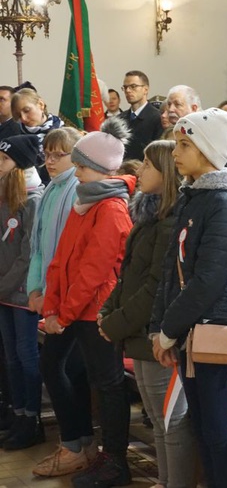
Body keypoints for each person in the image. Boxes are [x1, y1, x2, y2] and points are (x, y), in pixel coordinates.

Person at [150, 108, 227, 488]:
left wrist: (169, 329)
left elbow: (209, 278)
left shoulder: (224, 204)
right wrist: (160, 327)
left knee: (215, 429)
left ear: (206, 149)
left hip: (211, 328)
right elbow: (171, 269)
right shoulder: (195, 197)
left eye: (184, 144)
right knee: (201, 425)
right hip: (188, 328)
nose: (175, 153)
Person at [41, 117, 136, 486]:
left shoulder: (111, 209)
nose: (75, 172)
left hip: (96, 311)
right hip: (72, 309)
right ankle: (86, 449)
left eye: (80, 166)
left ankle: (115, 462)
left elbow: (94, 272)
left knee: (109, 384)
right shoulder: (86, 201)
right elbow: (61, 259)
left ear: (98, 168)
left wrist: (62, 314)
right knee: (69, 370)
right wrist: (52, 306)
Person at [97, 140, 197, 488]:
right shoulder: (150, 217)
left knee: (172, 421)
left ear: (166, 173)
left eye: (149, 167)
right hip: (139, 334)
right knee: (156, 417)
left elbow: (156, 286)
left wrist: (115, 321)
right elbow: (129, 275)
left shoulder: (169, 223)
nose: (139, 171)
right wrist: (109, 310)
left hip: (156, 334)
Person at [26, 128, 98, 477]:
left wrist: (55, 299)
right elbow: (39, 246)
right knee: (68, 369)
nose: (50, 161)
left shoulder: (77, 190)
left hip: (71, 297)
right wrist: (35, 289)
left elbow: (72, 254)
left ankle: (75, 443)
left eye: (59, 155)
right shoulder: (52, 188)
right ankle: (82, 441)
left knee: (56, 367)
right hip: (52, 293)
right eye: (47, 154)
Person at [0, 135, 44, 450]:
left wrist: (2, 284)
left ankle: (33, 419)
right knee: (11, 357)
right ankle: (17, 414)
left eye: (3, 160)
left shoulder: (34, 199)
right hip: (3, 293)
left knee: (28, 357)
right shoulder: (5, 196)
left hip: (22, 294)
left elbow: (29, 255)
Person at [11, 87, 62, 183]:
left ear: (41, 105)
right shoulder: (15, 136)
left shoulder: (63, 131)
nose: (23, 118)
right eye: (18, 115)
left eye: (26, 110)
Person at [119, 70, 163, 160]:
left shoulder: (157, 118)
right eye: (125, 87)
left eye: (133, 86)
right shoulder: (119, 119)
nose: (127, 90)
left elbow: (158, 154)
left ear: (145, 90)